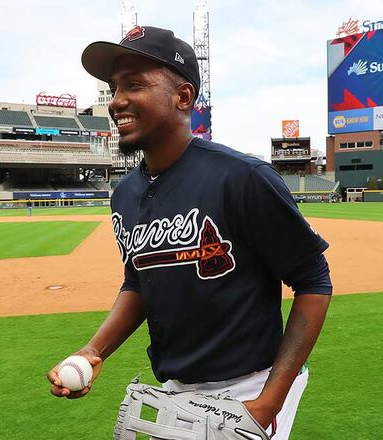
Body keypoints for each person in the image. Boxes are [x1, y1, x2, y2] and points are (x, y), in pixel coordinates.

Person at [47, 26, 332, 440]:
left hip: (251, 388)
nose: (116, 101)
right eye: (114, 88)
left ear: (183, 97)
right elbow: (138, 281)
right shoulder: (125, 194)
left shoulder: (242, 177)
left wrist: (270, 402)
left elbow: (313, 280)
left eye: (134, 84)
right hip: (175, 392)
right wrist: (94, 350)